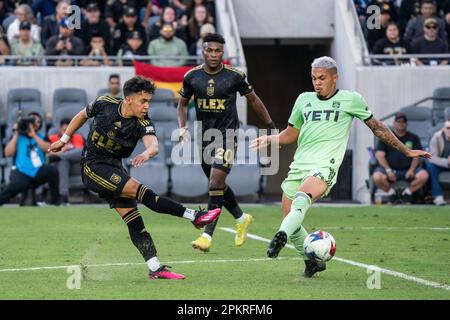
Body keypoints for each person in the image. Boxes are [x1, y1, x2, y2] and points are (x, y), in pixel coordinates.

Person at [250, 56, 431, 278]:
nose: (317, 82)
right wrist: (271, 139)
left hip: (326, 164)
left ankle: (280, 236)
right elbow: (291, 134)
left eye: (322, 78)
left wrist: (405, 150)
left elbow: (378, 127)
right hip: (300, 163)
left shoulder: (351, 99)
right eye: (314, 78)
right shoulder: (304, 100)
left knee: (300, 200)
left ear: (335, 77)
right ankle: (312, 262)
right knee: (289, 214)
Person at [48, 76, 221, 280]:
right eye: (143, 101)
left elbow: (154, 145)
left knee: (134, 221)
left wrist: (147, 153)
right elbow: (82, 115)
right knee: (142, 192)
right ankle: (194, 217)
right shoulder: (105, 104)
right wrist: (64, 139)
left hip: (115, 168)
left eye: (149, 101)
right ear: (128, 99)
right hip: (93, 166)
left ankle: (155, 267)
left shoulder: (143, 123)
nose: (147, 106)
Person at [177, 33, 276, 252]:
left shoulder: (235, 76)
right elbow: (182, 104)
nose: (213, 54)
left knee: (214, 183)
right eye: (209, 50)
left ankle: (207, 236)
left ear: (223, 52)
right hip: (204, 137)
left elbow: (253, 99)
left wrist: (269, 124)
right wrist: (183, 126)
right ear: (203, 51)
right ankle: (241, 219)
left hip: (228, 136)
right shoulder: (192, 76)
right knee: (218, 186)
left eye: (217, 51)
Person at [0, 112, 60, 206]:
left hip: (38, 171)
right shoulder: (18, 137)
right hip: (21, 171)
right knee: (15, 186)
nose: (35, 123)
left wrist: (34, 136)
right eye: (33, 121)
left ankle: (56, 203)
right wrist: (16, 133)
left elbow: (48, 149)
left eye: (38, 122)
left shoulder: (42, 137)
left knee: (52, 171)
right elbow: (8, 153)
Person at [372, 112, 429, 203]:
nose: (401, 124)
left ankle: (406, 194)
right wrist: (388, 170)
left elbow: (417, 156)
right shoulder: (386, 137)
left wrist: (411, 169)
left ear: (407, 124)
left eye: (403, 122)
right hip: (389, 170)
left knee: (424, 175)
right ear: (394, 123)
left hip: (408, 170)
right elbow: (379, 155)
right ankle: (392, 194)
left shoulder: (414, 137)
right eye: (398, 121)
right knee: (376, 177)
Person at [48, 118, 85, 205]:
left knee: (82, 150)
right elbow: (48, 154)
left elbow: (83, 153)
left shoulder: (79, 137)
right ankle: (64, 197)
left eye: (69, 130)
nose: (66, 132)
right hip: (60, 166)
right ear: (59, 129)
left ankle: (62, 157)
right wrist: (64, 149)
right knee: (62, 162)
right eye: (64, 130)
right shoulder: (52, 138)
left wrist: (61, 154)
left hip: (77, 165)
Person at [427, 120, 450, 205]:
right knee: (431, 166)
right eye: (448, 128)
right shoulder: (436, 137)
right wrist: (447, 162)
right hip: (441, 164)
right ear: (444, 129)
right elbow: (432, 157)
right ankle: (438, 196)